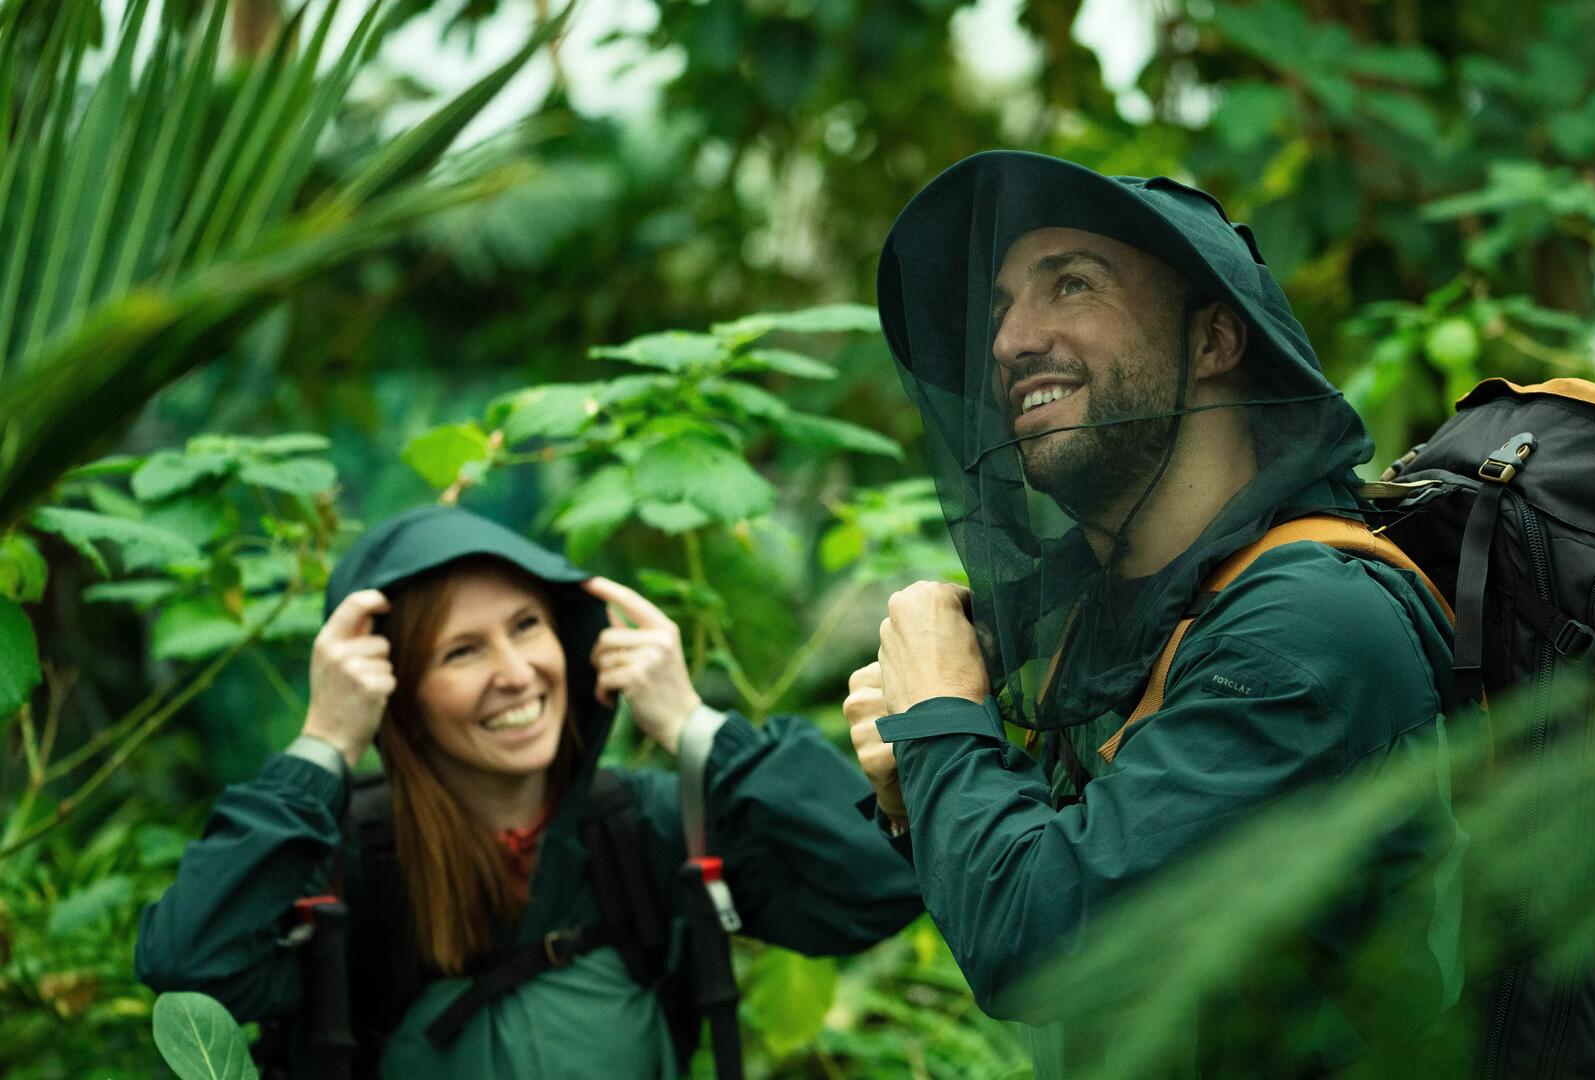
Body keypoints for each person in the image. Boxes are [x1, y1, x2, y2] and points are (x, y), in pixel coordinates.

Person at [844, 151, 1466, 1076]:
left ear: (1215, 341)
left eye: (1072, 284)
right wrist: (922, 787)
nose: (1010, 341)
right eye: (1003, 306)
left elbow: (1048, 947)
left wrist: (940, 720)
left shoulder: (1306, 625)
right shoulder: (1120, 632)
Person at [139, 505, 921, 1077]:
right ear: (397, 693)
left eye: (526, 626)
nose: (514, 673)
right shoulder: (348, 860)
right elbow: (189, 972)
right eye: (461, 651)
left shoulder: (646, 827)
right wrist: (323, 744)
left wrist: (695, 724)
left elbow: (882, 886)